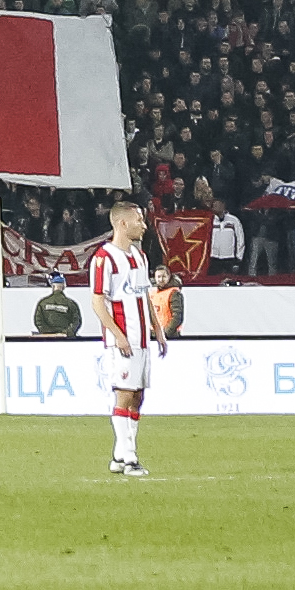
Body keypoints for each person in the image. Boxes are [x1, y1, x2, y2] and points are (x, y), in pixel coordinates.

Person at [89, 195, 166, 479]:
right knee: (124, 395)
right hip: (122, 340)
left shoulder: (139, 255)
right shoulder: (103, 258)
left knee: (138, 397)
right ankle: (130, 458)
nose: (144, 225)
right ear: (122, 223)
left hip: (142, 338)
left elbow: (144, 294)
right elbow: (97, 301)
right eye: (138, 220)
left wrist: (157, 328)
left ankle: (120, 455)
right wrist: (117, 334)